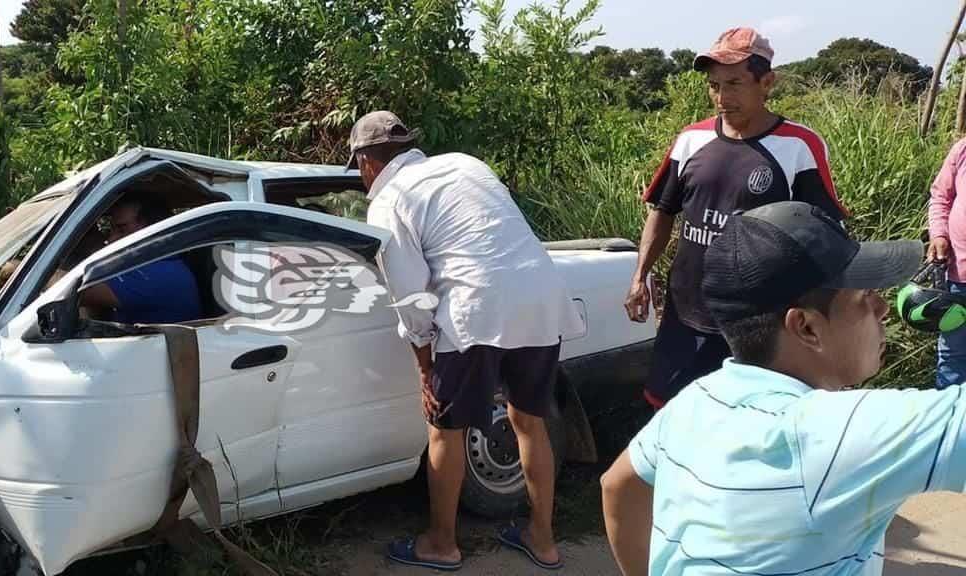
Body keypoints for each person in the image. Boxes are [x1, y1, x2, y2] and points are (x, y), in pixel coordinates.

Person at [600, 201, 947, 576]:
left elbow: (618, 486)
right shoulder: (840, 434)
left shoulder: (697, 401)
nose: (882, 309)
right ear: (806, 328)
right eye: (864, 297)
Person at [349, 111, 585, 571]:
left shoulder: (389, 200)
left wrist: (425, 371)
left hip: (475, 310)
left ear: (365, 162)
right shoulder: (464, 163)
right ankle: (543, 540)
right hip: (540, 297)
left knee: (445, 429)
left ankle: (441, 543)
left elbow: (411, 298)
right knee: (529, 423)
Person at [625, 27, 849, 409]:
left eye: (734, 84)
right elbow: (662, 211)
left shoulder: (798, 147)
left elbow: (828, 235)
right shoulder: (691, 140)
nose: (722, 98)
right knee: (670, 410)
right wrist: (639, 276)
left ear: (767, 82)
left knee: (747, 421)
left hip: (758, 323)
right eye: (713, 86)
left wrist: (829, 315)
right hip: (686, 311)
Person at [78, 198, 202, 324]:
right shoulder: (156, 264)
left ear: (152, 229)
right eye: (112, 230)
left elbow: (76, 293)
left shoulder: (159, 273)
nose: (111, 239)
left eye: (122, 230)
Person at [926, 136, 966, 388]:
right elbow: (941, 196)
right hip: (957, 279)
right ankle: (950, 419)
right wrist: (939, 234)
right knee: (952, 355)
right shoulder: (963, 149)